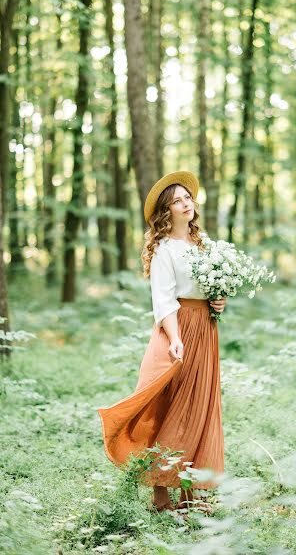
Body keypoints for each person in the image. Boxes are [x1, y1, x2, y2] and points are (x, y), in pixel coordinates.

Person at [98, 170, 226, 513]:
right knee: (171, 406)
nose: (187, 204)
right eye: (178, 200)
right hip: (179, 328)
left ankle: (190, 491)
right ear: (165, 211)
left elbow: (210, 290)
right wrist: (175, 338)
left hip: (206, 328)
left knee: (199, 406)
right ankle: (160, 493)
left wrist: (218, 302)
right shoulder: (165, 249)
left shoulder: (203, 244)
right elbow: (164, 299)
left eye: (188, 198)